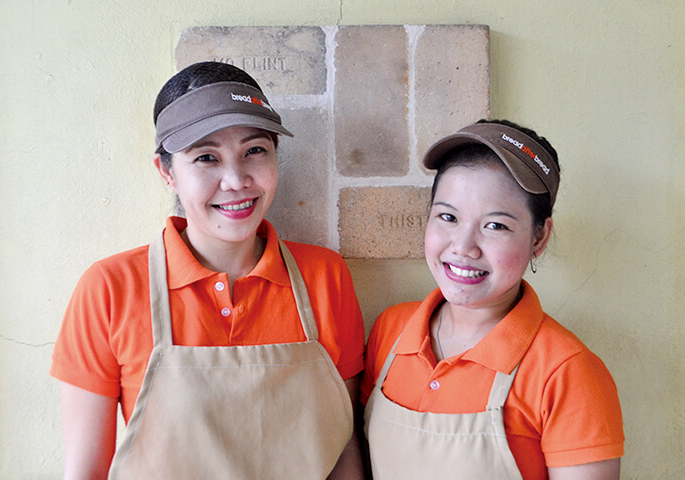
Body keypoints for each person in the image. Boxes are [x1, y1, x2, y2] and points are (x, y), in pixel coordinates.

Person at [51, 61, 366, 479]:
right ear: (167, 172)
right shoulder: (110, 289)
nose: (236, 180)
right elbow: (85, 472)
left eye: (255, 150)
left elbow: (343, 447)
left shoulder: (324, 277)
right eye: (206, 157)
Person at [361, 120, 624, 480]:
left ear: (539, 238)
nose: (463, 247)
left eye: (495, 225)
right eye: (448, 217)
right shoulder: (391, 330)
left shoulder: (567, 372)